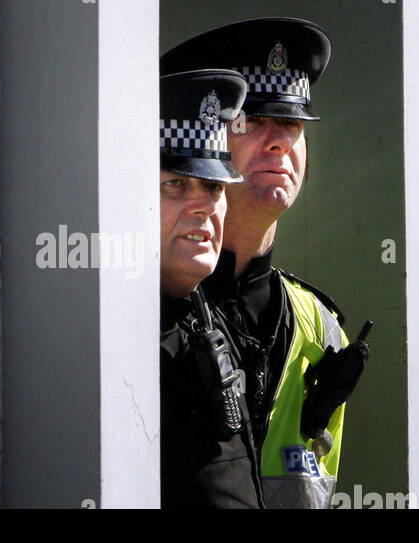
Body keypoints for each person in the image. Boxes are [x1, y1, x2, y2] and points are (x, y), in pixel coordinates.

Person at [162, 17, 371, 509]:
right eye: (252, 121)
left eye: (293, 123)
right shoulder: (153, 309)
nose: (280, 140)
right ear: (203, 139)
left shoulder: (323, 332)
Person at [157, 69, 263, 508]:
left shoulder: (210, 320)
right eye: (176, 184)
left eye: (214, 186)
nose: (203, 205)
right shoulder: (105, 342)